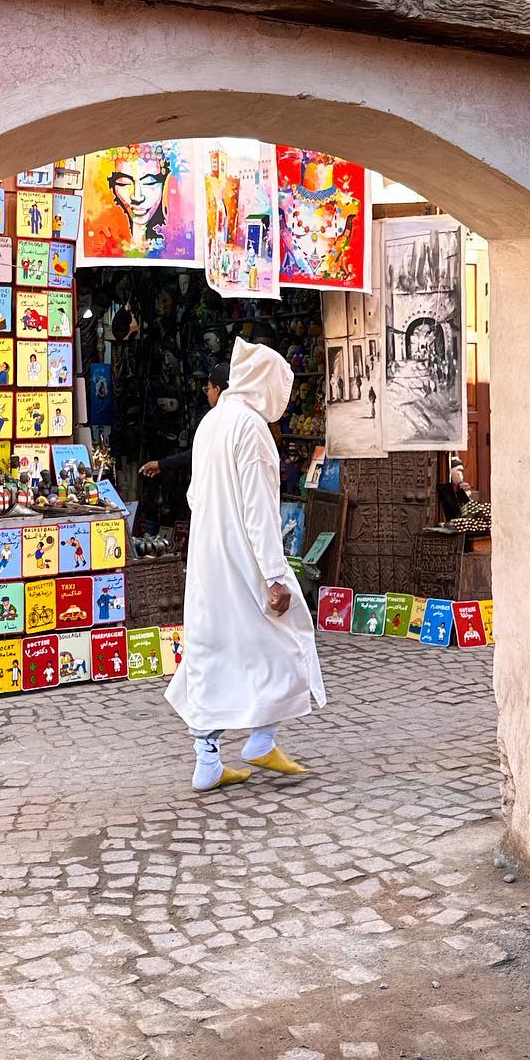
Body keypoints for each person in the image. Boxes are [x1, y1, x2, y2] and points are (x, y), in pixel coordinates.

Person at [165, 338, 325, 790]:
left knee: (214, 653)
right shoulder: (251, 428)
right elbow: (259, 508)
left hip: (209, 558)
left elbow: (196, 495)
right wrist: (274, 575)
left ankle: (209, 759)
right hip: (244, 559)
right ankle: (261, 738)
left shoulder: (211, 423)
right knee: (289, 636)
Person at [139, 361, 230, 485]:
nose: (207, 393)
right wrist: (162, 464)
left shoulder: (218, 420)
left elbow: (199, 453)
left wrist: (162, 464)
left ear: (217, 390)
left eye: (208, 388)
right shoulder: (241, 417)